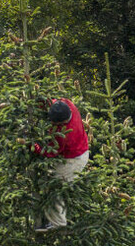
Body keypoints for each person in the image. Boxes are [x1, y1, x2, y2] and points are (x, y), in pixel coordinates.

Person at [32, 98, 90, 232]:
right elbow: (48, 101)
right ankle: (46, 216)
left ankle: (58, 223)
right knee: (49, 182)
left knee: (55, 187)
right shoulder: (67, 104)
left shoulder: (65, 134)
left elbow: (50, 152)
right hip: (76, 151)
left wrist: (35, 147)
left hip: (74, 159)